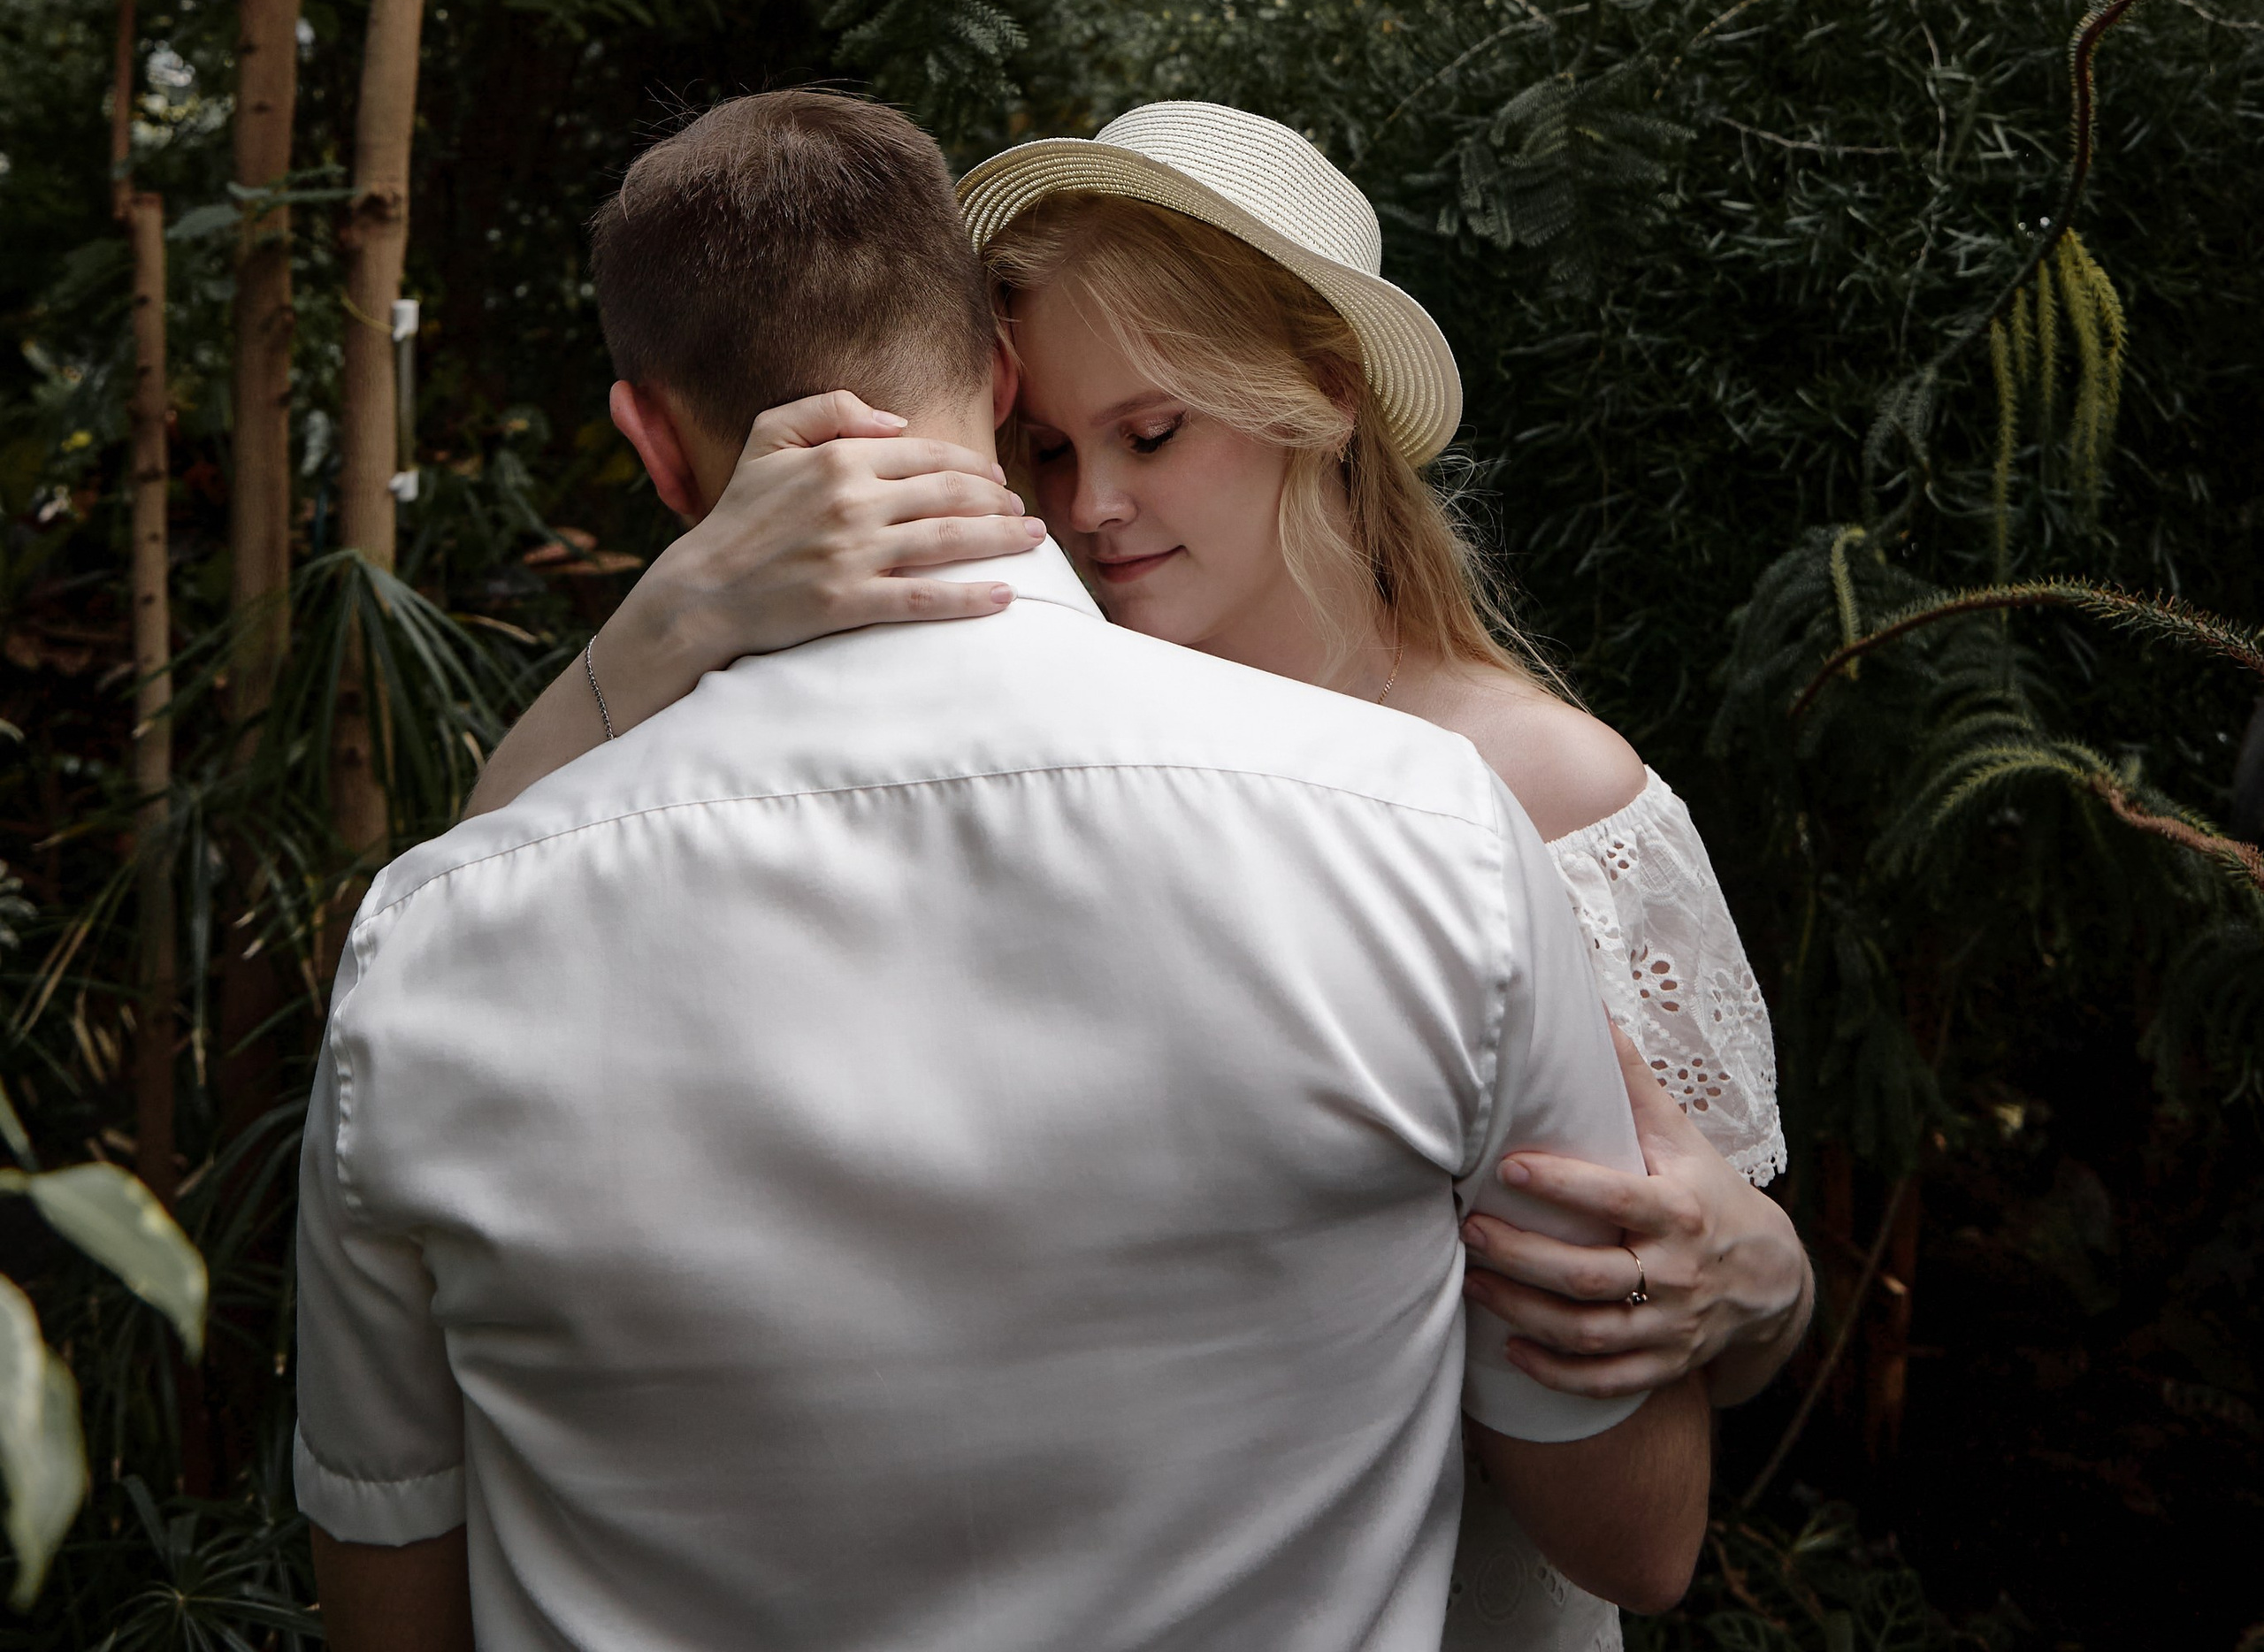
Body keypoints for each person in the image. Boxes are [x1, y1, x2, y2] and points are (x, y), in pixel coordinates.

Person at [297, 90, 1709, 1652]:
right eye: (1059, 448)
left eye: (1154, 433)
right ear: (996, 379)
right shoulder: (1431, 835)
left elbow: (390, 1596)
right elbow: (1635, 1512)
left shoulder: (437, 943)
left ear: (648, 442)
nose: (1100, 505)